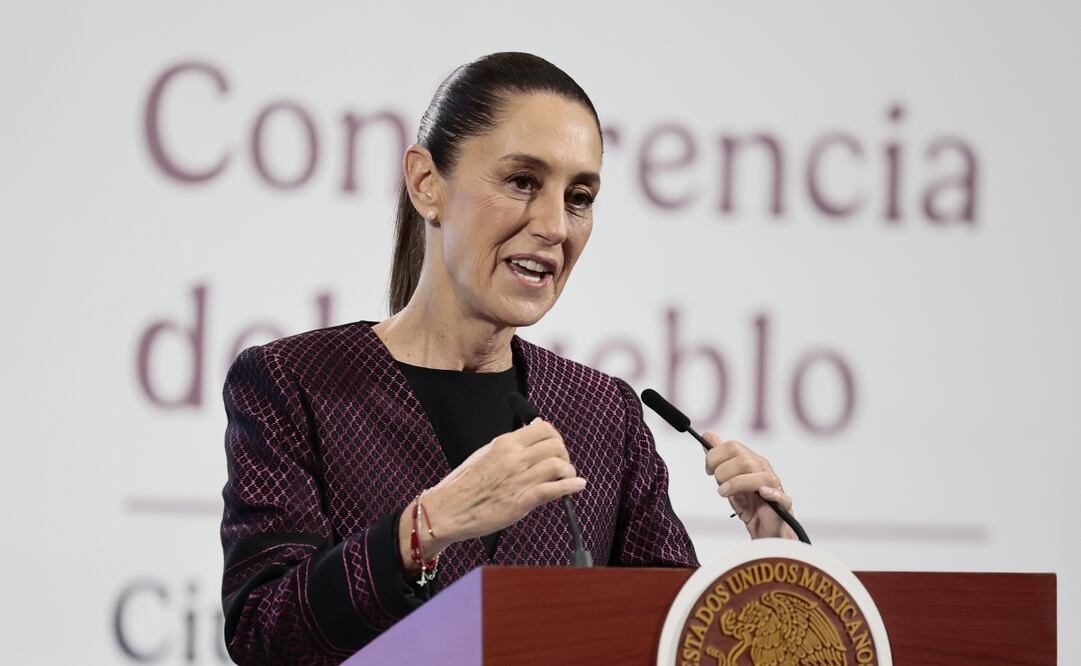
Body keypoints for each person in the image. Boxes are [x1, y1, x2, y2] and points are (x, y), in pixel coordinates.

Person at [219, 51, 797, 665]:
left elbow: (667, 640)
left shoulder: (603, 415)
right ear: (426, 184)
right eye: (522, 182)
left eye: (579, 197)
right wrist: (426, 525)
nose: (553, 225)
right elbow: (263, 631)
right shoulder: (296, 383)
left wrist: (772, 563)